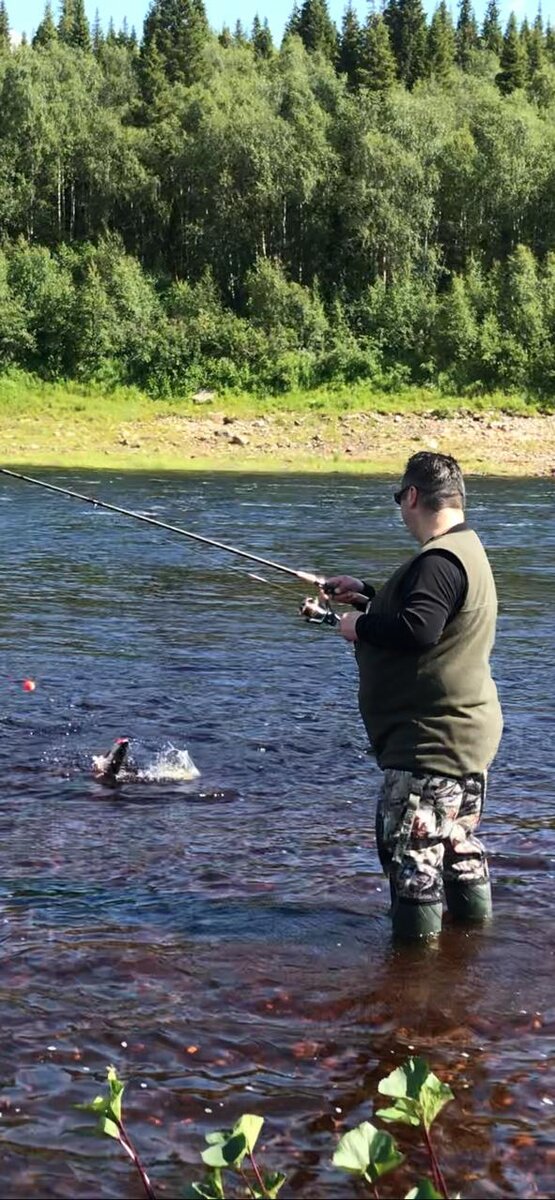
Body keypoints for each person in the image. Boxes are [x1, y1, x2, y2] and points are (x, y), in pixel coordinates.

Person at [325, 452, 503, 940]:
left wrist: (355, 626)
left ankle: (411, 994)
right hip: (466, 738)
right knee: (457, 847)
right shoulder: (466, 550)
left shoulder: (438, 560)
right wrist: (366, 593)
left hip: (430, 742)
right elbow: (434, 617)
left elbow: (419, 628)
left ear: (411, 496)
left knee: (413, 863)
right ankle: (470, 963)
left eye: (398, 499)